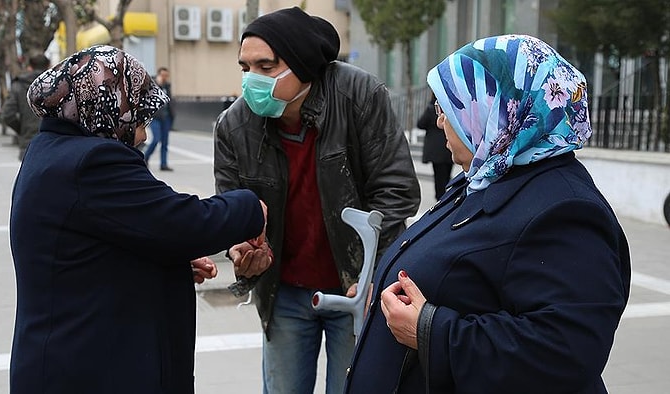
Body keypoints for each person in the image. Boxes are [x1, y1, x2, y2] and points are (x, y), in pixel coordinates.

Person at [344, 34, 631, 393]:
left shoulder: (566, 209)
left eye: (449, 106)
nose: (439, 121)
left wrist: (431, 331)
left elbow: (567, 350)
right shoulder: (488, 177)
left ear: (500, 108)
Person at [9, 45, 268, 394]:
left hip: (66, 359)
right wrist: (250, 206)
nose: (144, 134)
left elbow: (102, 240)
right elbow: (180, 223)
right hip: (87, 371)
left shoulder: (51, 148)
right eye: (139, 118)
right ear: (106, 105)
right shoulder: (93, 162)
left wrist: (159, 265)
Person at [213, 7, 421, 394]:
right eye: (245, 67)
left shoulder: (359, 95)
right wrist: (241, 249)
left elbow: (397, 191)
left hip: (359, 289)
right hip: (285, 293)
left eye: (265, 66)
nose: (250, 80)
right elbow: (232, 209)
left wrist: (374, 271)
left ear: (302, 65)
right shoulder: (233, 126)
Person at [1, 54, 50, 159]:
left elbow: (7, 114)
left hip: (29, 140)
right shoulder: (60, 83)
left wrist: (22, 129)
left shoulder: (18, 85)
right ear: (48, 66)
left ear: (30, 67)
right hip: (54, 141)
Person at [417, 92, 453, 199]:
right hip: (448, 148)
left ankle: (440, 198)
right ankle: (446, 197)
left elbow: (420, 124)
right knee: (446, 175)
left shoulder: (431, 109)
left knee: (439, 177)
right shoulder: (450, 108)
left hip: (435, 150)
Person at [144, 66, 175, 171]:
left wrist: (172, 115)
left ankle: (163, 164)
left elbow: (170, 101)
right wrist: (158, 84)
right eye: (162, 75)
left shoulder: (167, 86)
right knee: (156, 139)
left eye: (166, 76)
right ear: (158, 75)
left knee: (165, 142)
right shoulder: (152, 85)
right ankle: (145, 157)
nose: (164, 77)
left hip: (166, 118)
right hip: (155, 117)